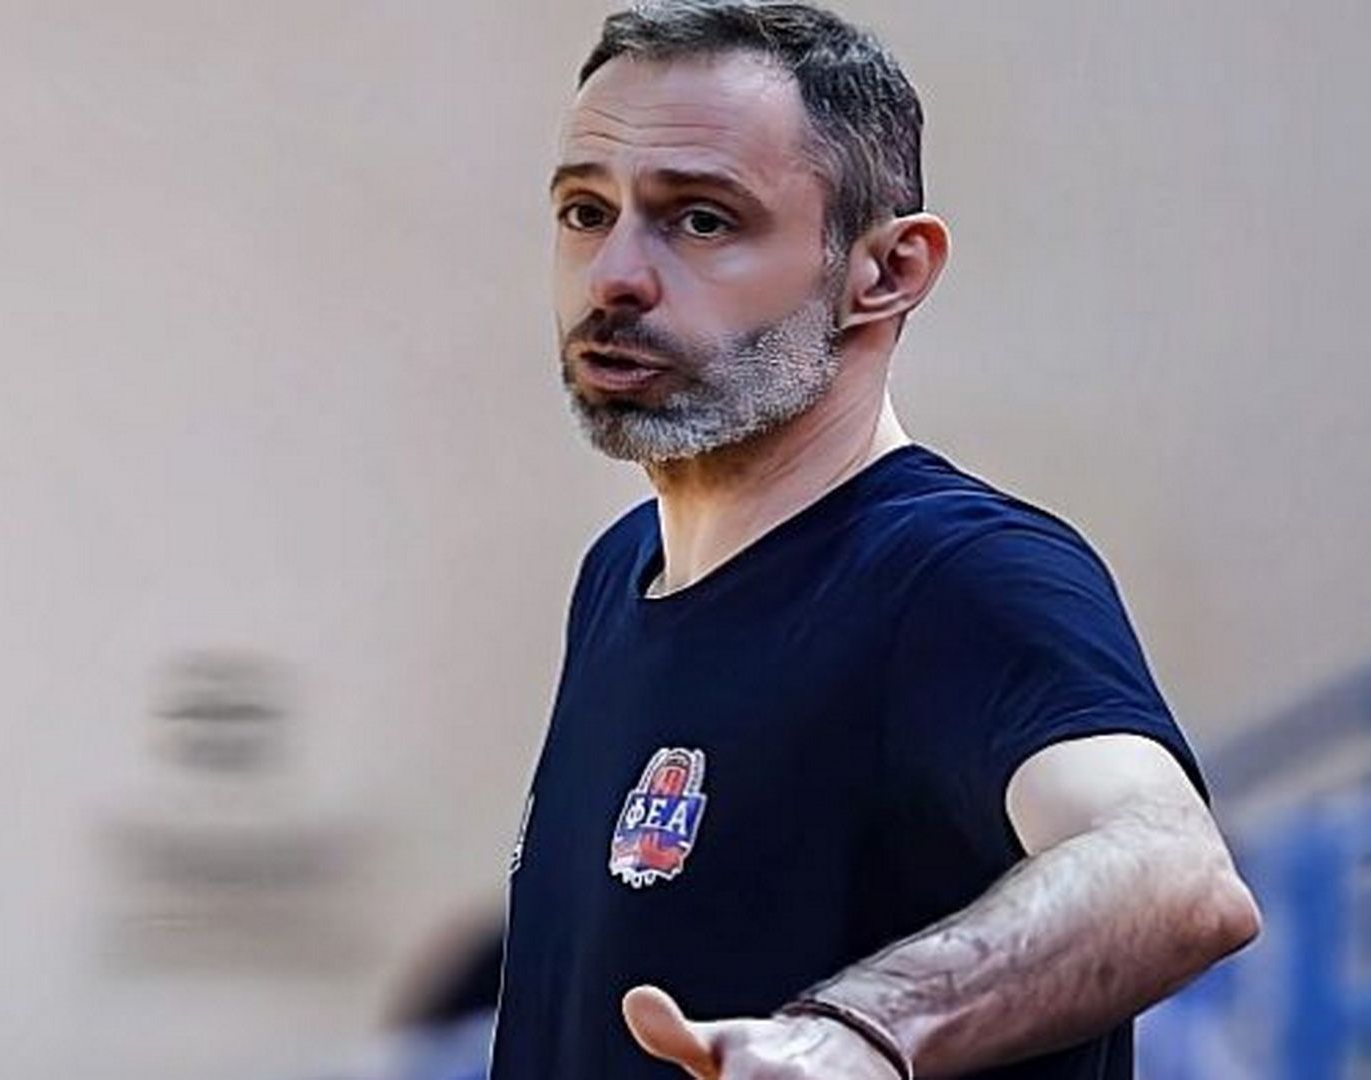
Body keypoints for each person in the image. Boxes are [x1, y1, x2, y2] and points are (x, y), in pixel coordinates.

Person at [490, 3, 1261, 1077]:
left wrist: (858, 1032)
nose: (615, 274)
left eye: (701, 221)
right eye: (585, 211)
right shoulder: (622, 570)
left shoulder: (959, 574)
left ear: (886, 270)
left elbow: (1174, 872)